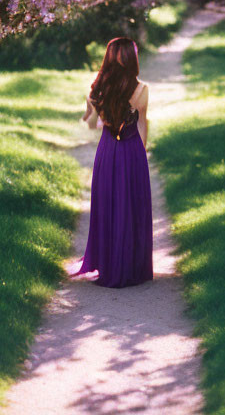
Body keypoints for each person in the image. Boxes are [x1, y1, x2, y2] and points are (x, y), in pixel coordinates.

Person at [72, 37, 153, 288]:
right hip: (131, 150)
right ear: (132, 58)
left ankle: (108, 262)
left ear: (108, 57)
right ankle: (131, 265)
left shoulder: (99, 88)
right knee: (131, 204)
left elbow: (91, 123)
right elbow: (142, 123)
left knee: (109, 204)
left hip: (107, 150)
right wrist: (142, 153)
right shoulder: (141, 90)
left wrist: (91, 106)